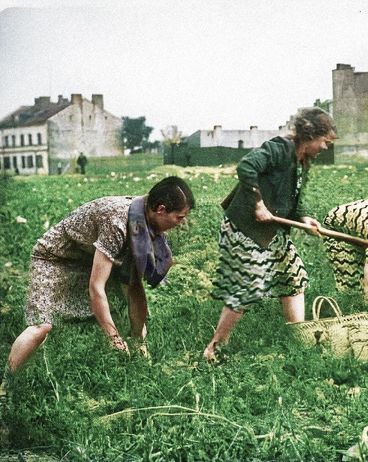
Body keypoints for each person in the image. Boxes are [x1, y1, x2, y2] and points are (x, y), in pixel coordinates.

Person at [1, 176, 195, 391]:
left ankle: (116, 376)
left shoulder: (142, 225)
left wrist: (140, 339)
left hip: (90, 258)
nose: (182, 223)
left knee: (120, 315)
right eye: (180, 217)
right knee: (41, 326)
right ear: (160, 209)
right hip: (55, 258)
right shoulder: (118, 222)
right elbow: (96, 287)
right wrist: (114, 338)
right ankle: (6, 388)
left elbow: (134, 287)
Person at [203, 107, 336, 362]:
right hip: (246, 228)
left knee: (293, 276)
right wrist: (258, 203)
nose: (326, 148)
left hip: (272, 231)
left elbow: (295, 197)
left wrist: (304, 218)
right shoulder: (279, 148)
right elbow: (246, 167)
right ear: (310, 135)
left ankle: (300, 339)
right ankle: (215, 348)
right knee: (248, 285)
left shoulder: (301, 161)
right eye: (325, 142)